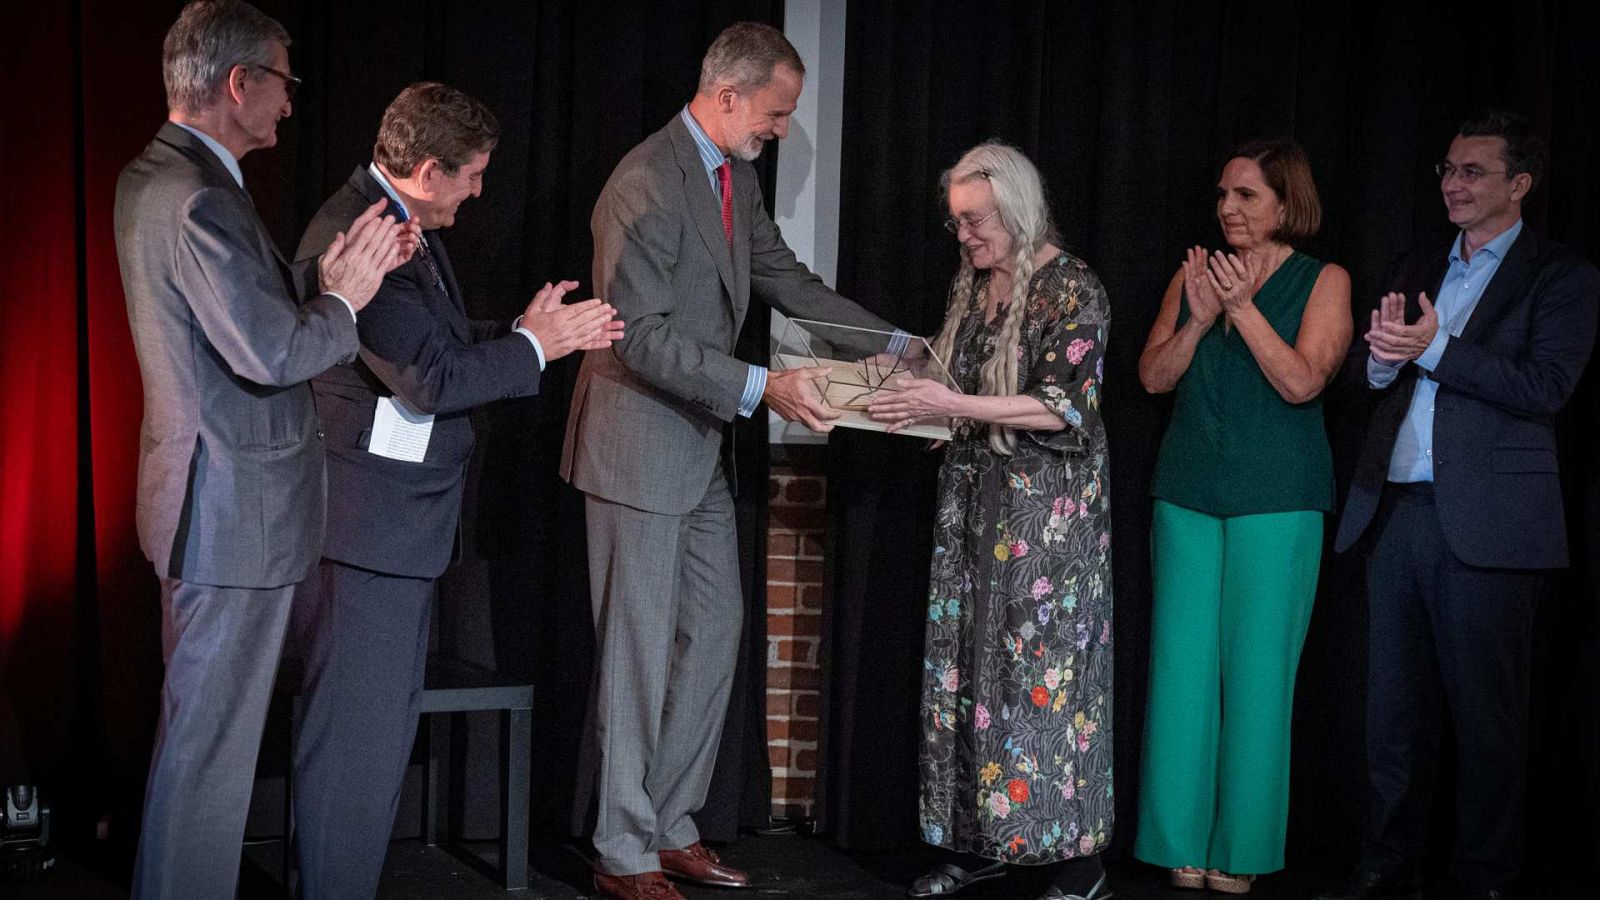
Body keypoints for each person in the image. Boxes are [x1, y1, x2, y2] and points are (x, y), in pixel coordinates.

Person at [561, 21, 903, 900]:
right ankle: (623, 852)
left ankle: (671, 826)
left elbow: (786, 278)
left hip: (699, 448)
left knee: (714, 634)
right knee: (636, 654)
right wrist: (763, 387)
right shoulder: (642, 182)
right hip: (637, 443)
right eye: (777, 113)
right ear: (726, 97)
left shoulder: (733, 176)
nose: (782, 129)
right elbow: (639, 337)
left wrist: (901, 348)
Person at [287, 82, 623, 900]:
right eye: (471, 175)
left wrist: (520, 335)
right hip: (365, 534)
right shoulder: (362, 231)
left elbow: (433, 342)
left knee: (371, 743)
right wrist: (538, 350)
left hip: (392, 533)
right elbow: (429, 379)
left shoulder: (397, 219)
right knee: (353, 749)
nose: (478, 191)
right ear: (431, 170)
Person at [112, 2, 407, 897]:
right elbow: (273, 354)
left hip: (217, 505)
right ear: (240, 83)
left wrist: (321, 280)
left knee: (203, 755)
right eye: (282, 82)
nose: (289, 104)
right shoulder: (197, 194)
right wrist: (345, 302)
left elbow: (238, 321)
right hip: (230, 513)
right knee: (207, 764)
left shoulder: (156, 175)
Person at [1318, 110, 1599, 900]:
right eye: (1447, 169)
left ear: (1520, 184)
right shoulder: (1416, 263)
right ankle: (1386, 869)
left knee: (1487, 722)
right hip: (1396, 512)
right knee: (1391, 717)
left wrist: (1434, 349)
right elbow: (1372, 380)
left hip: (1492, 529)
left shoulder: (1562, 278)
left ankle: (1485, 879)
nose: (1453, 183)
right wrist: (1379, 365)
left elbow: (1545, 387)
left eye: (1473, 171)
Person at [867, 142, 1114, 900]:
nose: (965, 236)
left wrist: (952, 407)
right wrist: (892, 390)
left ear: (1014, 207)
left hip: (1045, 522)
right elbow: (949, 376)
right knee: (965, 674)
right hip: (973, 506)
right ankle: (979, 843)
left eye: (975, 221)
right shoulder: (974, 290)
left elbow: (1063, 405)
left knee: (1041, 679)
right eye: (957, 224)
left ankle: (1077, 863)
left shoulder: (1070, 287)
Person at [1133, 139, 1351, 894]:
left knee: (1259, 678)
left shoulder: (1326, 280)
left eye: (1247, 196)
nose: (1228, 208)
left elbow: (1302, 382)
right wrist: (1197, 320)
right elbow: (1153, 378)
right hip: (1188, 493)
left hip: (1279, 500)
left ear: (1286, 205)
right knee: (1181, 674)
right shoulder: (1192, 275)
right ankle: (1178, 844)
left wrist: (1242, 310)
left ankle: (1243, 852)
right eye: (1224, 194)